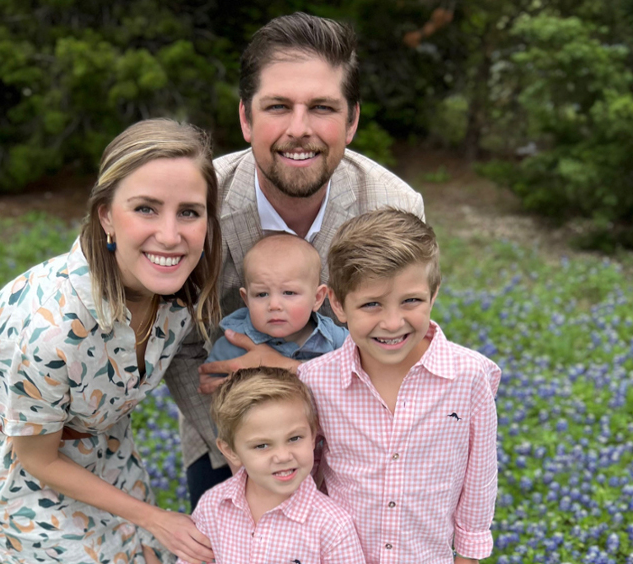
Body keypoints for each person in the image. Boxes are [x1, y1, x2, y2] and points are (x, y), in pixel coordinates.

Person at [160, 11, 426, 510]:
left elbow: (398, 350)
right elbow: (179, 346)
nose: (298, 130)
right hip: (228, 427)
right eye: (278, 106)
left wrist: (294, 374)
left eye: (322, 107)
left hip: (356, 429)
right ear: (245, 118)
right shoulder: (197, 203)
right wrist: (244, 443)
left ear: (351, 121)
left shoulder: (393, 206)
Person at [0, 119, 220, 564]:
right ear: (106, 216)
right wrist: (155, 517)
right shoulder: (50, 330)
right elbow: (38, 459)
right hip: (28, 471)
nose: (171, 235)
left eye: (189, 212)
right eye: (146, 209)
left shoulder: (181, 288)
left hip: (107, 446)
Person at [299, 208, 501, 564]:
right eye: (371, 304)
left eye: (411, 301)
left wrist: (467, 557)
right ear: (337, 304)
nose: (392, 323)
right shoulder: (315, 381)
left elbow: (479, 480)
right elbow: (303, 479)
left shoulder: (470, 376)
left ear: (434, 294)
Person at [178, 367, 366, 564]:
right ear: (230, 451)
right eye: (262, 445)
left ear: (313, 436)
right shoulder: (213, 506)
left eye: (294, 438)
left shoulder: (332, 525)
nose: (283, 456)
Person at [204, 233, 348, 375]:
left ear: (317, 298)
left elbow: (363, 366)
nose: (274, 305)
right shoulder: (234, 343)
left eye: (289, 293)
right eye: (261, 294)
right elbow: (210, 383)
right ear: (246, 300)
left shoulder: (335, 339)